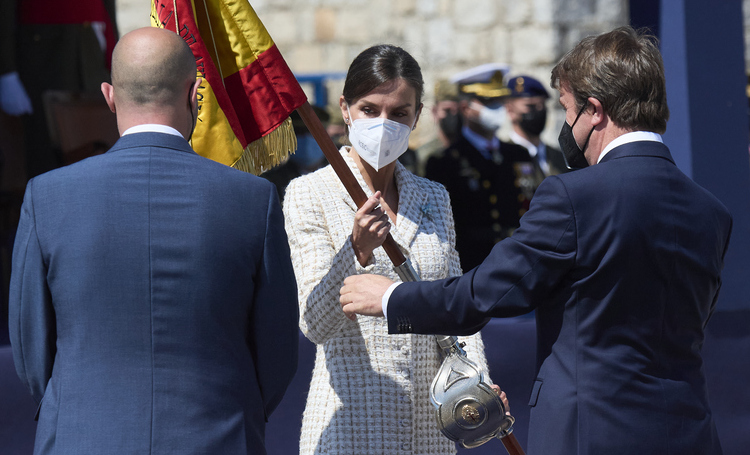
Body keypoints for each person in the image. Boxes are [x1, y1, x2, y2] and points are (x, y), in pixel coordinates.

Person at [340, 26, 731, 455]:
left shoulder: (575, 195)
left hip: (592, 432)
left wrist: (394, 299)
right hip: (689, 431)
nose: (564, 124)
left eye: (566, 109)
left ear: (595, 111)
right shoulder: (710, 211)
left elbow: (487, 293)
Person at [8, 27, 299, 454]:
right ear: (194, 92)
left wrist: (77, 409)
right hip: (217, 435)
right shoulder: (251, 198)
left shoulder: (48, 196)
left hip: (82, 436)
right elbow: (276, 352)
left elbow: (31, 348)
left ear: (109, 95)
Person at [283, 44, 491, 455]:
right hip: (350, 429)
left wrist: (477, 382)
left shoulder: (434, 196)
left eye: (399, 113)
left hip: (430, 432)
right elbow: (313, 323)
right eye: (369, 109)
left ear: (416, 116)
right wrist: (354, 251)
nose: (384, 124)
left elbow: (457, 308)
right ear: (345, 109)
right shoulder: (309, 193)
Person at [425, 65, 537, 271]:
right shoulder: (444, 162)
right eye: (487, 102)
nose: (496, 108)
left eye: (498, 101)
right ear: (467, 108)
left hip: (516, 265)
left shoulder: (518, 155)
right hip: (471, 269)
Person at [261, 105, 330, 203]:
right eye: (299, 133)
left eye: (312, 132)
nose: (306, 138)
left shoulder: (342, 175)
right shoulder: (271, 182)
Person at [504, 74, 569, 177]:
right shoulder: (504, 157)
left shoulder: (560, 158)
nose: (538, 111)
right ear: (510, 110)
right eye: (530, 106)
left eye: (542, 106)